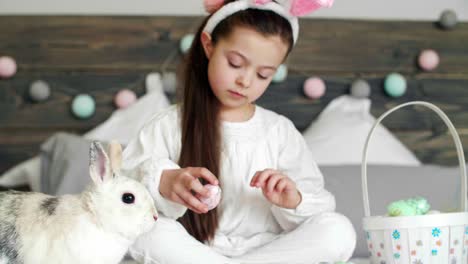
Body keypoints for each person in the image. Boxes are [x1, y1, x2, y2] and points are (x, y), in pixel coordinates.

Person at [122, 0, 356, 263]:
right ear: (208, 45)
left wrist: (293, 200)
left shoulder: (279, 131)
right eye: (235, 63)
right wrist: (164, 181)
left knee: (338, 229)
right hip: (194, 251)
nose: (245, 81)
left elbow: (317, 210)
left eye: (264, 74)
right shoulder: (169, 124)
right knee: (145, 231)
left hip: (270, 252)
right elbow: (124, 190)